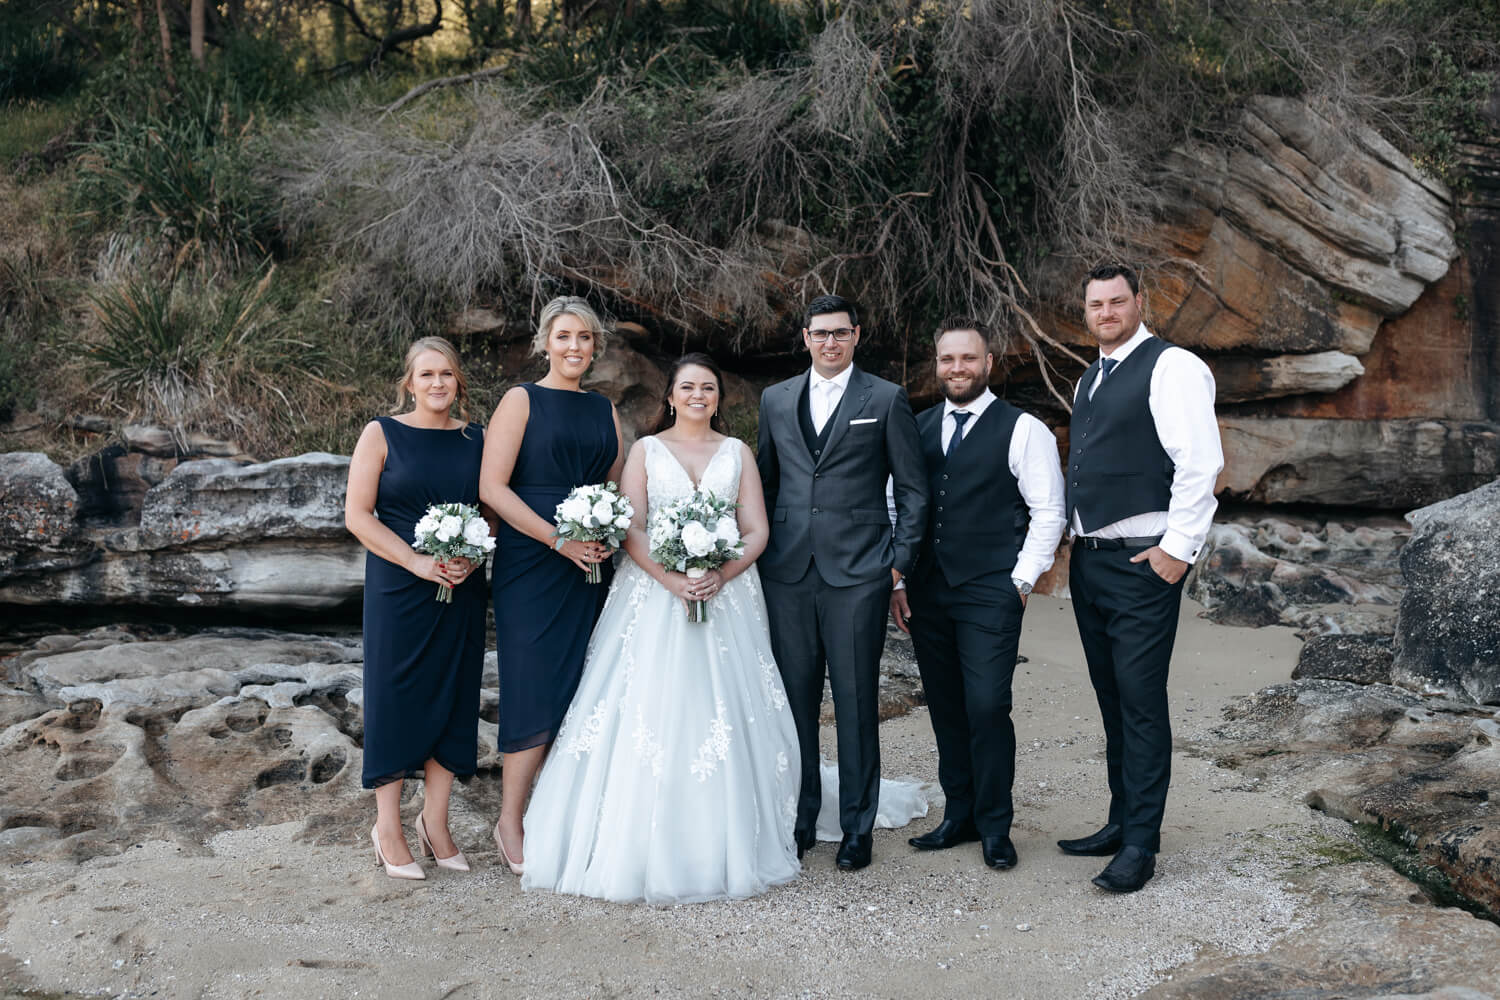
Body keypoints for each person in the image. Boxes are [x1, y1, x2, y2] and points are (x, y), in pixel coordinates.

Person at [521, 354, 803, 903]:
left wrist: (719, 573)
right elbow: (633, 528)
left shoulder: (737, 452)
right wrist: (673, 579)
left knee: (725, 705)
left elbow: (756, 530)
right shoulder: (646, 451)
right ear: (670, 397)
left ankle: (732, 833)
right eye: (688, 387)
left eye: (709, 388)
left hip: (728, 595)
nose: (699, 395)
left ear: (719, 398)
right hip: (653, 594)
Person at [1059, 264, 1224, 893]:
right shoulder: (1091, 376)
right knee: (1112, 698)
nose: (1106, 312)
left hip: (1141, 563)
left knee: (1141, 701)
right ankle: (1120, 820)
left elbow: (1200, 462)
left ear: (1138, 303)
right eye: (1095, 304)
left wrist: (1176, 550)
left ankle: (1140, 846)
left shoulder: (1172, 366)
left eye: (1117, 301)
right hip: (1091, 561)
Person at [757, 294, 928, 871]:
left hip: (860, 573)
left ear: (857, 335)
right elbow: (767, 484)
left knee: (856, 702)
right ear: (805, 338)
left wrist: (897, 564)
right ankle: (800, 819)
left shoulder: (884, 398)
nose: (829, 342)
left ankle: (857, 827)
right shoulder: (775, 399)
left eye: (839, 332)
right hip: (787, 571)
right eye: (819, 333)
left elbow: (913, 490)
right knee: (794, 703)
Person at [891, 320, 1066, 871]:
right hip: (927, 590)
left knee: (988, 706)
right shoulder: (915, 427)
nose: (957, 368)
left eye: (968, 358)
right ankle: (959, 815)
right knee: (945, 706)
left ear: (988, 363)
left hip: (992, 587)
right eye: (948, 359)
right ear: (937, 365)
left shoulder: (1023, 429)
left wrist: (1022, 579)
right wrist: (898, 580)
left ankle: (995, 825)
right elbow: (897, 506)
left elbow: (1049, 512)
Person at [480, 296, 624, 875]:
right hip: (532, 562)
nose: (574, 347)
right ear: (545, 342)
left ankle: (559, 813)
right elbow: (493, 488)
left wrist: (607, 532)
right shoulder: (521, 400)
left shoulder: (604, 409)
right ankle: (509, 819)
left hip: (590, 564)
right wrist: (557, 539)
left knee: (582, 684)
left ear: (595, 347)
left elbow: (616, 487)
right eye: (564, 336)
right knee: (532, 683)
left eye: (584, 338)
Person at [345, 336, 488, 880]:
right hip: (398, 584)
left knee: (454, 692)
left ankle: (436, 822)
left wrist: (474, 555)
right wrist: (416, 562)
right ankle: (387, 827)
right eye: (427, 374)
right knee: (395, 695)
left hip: (462, 582)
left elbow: (491, 508)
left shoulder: (477, 438)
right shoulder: (381, 433)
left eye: (447, 374)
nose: (437, 383)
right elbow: (358, 515)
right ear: (409, 383)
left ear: (459, 382)